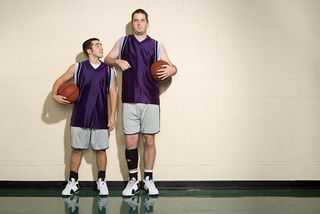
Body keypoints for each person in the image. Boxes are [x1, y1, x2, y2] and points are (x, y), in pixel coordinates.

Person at [105, 9, 177, 197]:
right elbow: (107, 59)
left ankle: (149, 180)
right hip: (129, 99)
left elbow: (173, 66)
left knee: (149, 140)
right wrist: (117, 61)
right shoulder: (123, 42)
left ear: (147, 23)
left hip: (150, 99)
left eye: (142, 20)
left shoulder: (156, 45)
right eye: (135, 20)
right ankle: (132, 180)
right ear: (132, 23)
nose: (138, 23)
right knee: (130, 142)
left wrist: (172, 70)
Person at [52, 38, 117, 196]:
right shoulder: (77, 68)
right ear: (89, 50)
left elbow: (113, 93)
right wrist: (55, 95)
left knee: (101, 150)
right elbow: (60, 80)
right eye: (97, 45)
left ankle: (101, 181)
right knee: (76, 150)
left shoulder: (109, 70)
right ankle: (73, 182)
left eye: (101, 44)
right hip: (80, 115)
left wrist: (112, 116)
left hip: (100, 116)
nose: (101, 47)